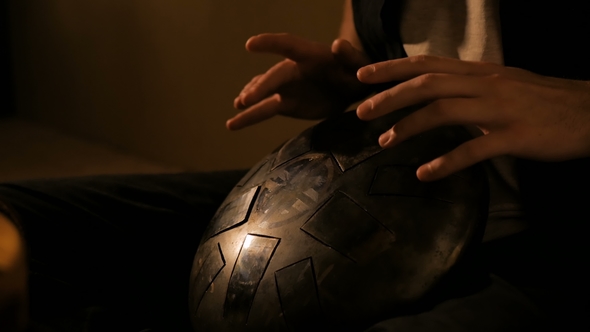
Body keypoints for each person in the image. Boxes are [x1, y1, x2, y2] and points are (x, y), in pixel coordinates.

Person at [1, 0, 588, 331]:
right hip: (386, 199)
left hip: (549, 243)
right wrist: (348, 80)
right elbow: (369, 36)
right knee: (18, 228)